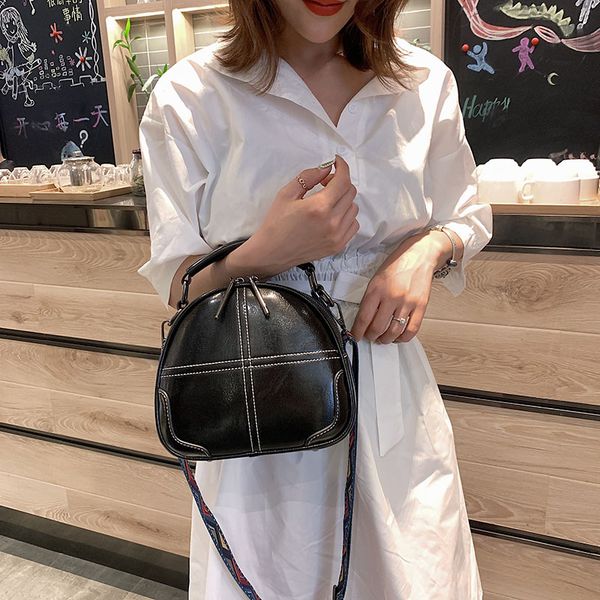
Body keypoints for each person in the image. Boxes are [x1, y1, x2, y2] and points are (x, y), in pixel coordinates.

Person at [137, 0, 493, 598]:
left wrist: (427, 250)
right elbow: (178, 282)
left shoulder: (423, 82)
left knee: (411, 571)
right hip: (258, 394)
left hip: (388, 383)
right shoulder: (191, 95)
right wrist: (262, 253)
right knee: (274, 572)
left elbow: (467, 214)